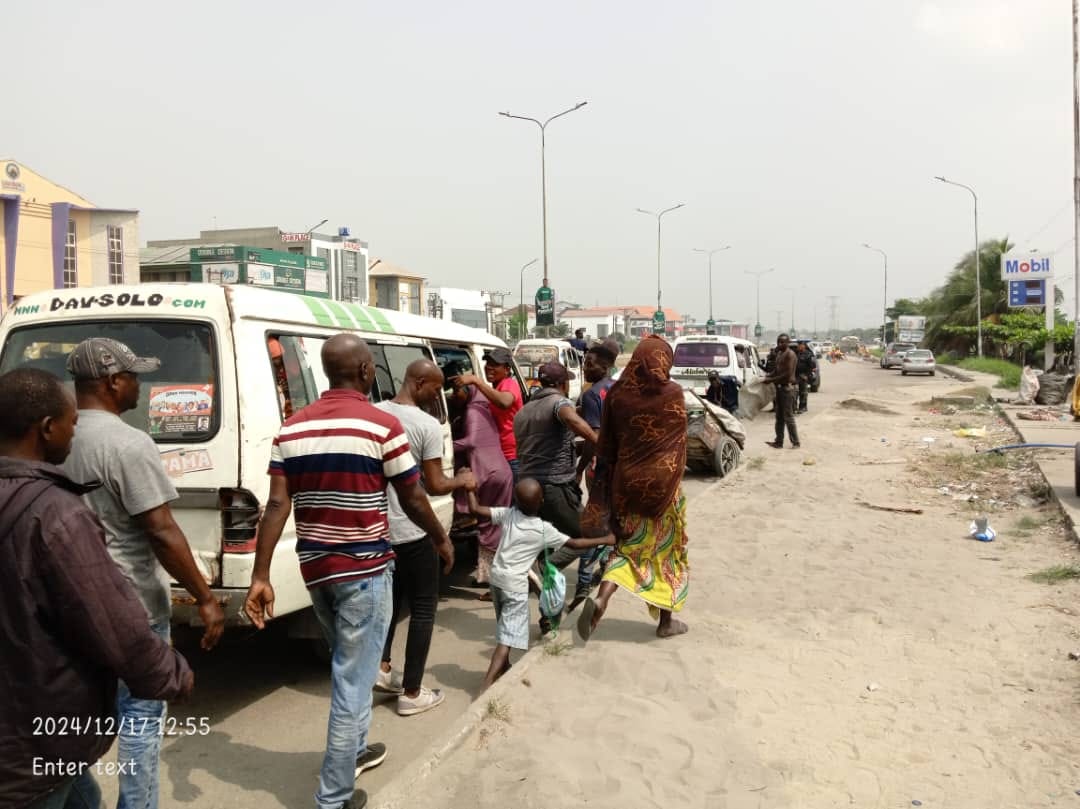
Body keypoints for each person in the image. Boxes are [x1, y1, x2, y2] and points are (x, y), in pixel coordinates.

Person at [244, 334, 454, 809]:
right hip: (364, 568)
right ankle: (333, 797)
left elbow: (277, 504)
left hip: (316, 570)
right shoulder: (381, 426)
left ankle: (356, 749)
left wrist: (261, 575)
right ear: (365, 372)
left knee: (350, 665)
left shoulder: (291, 429)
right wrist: (440, 537)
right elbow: (413, 495)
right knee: (352, 682)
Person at [0, 368, 193, 809]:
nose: (76, 431)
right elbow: (114, 623)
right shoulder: (57, 514)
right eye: (71, 422)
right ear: (47, 429)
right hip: (33, 746)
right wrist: (171, 673)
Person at [61, 337, 224, 809]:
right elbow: (161, 530)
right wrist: (206, 598)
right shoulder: (127, 443)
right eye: (134, 375)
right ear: (113, 382)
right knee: (141, 717)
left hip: (70, 604)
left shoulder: (51, 436)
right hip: (132, 607)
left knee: (72, 722)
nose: (140, 384)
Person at [372, 359, 474, 716]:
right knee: (424, 608)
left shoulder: (374, 414)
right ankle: (412, 692)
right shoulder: (426, 425)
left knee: (390, 603)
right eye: (435, 388)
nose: (439, 395)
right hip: (412, 529)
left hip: (379, 530)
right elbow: (432, 485)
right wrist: (461, 480)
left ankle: (382, 668)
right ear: (418, 382)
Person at [576, 335, 691, 641]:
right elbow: (679, 445)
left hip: (626, 486)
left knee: (627, 548)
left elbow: (606, 447)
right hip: (664, 492)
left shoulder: (616, 396)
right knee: (667, 552)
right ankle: (666, 622)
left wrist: (603, 491)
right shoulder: (673, 393)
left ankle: (601, 598)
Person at [466, 478, 613, 689]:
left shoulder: (509, 514)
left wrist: (469, 488)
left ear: (516, 500)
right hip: (514, 586)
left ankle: (505, 667)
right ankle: (487, 683)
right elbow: (574, 543)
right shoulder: (544, 530)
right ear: (541, 501)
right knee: (507, 638)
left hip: (496, 580)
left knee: (504, 624)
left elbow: (475, 509)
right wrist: (605, 540)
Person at [447, 366, 513, 591]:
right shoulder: (483, 406)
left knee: (488, 527)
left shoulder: (474, 410)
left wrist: (443, 446)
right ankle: (496, 576)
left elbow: (471, 441)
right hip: (498, 472)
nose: (456, 397)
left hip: (491, 474)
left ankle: (493, 579)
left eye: (459, 391)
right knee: (494, 526)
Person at [454, 347, 523, 481]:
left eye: (495, 365)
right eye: (488, 364)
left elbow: (504, 402)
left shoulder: (509, 383)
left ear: (507, 369)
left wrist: (476, 381)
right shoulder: (493, 389)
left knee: (512, 499)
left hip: (511, 455)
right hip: (498, 452)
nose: (489, 368)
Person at [762, 333, 800, 449]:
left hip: (787, 388)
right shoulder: (779, 354)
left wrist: (771, 379)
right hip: (779, 388)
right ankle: (778, 441)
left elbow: (787, 374)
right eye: (779, 342)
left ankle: (795, 442)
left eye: (783, 342)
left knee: (788, 417)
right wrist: (767, 377)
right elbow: (776, 371)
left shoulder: (790, 355)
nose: (780, 344)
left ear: (788, 342)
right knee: (779, 417)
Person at [794, 341, 817, 414]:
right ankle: (794, 407)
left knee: (803, 392)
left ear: (803, 346)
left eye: (800, 345)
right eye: (798, 345)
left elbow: (812, 367)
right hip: (796, 375)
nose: (798, 347)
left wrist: (807, 375)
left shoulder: (808, 355)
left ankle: (803, 407)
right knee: (795, 392)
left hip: (803, 376)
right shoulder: (796, 354)